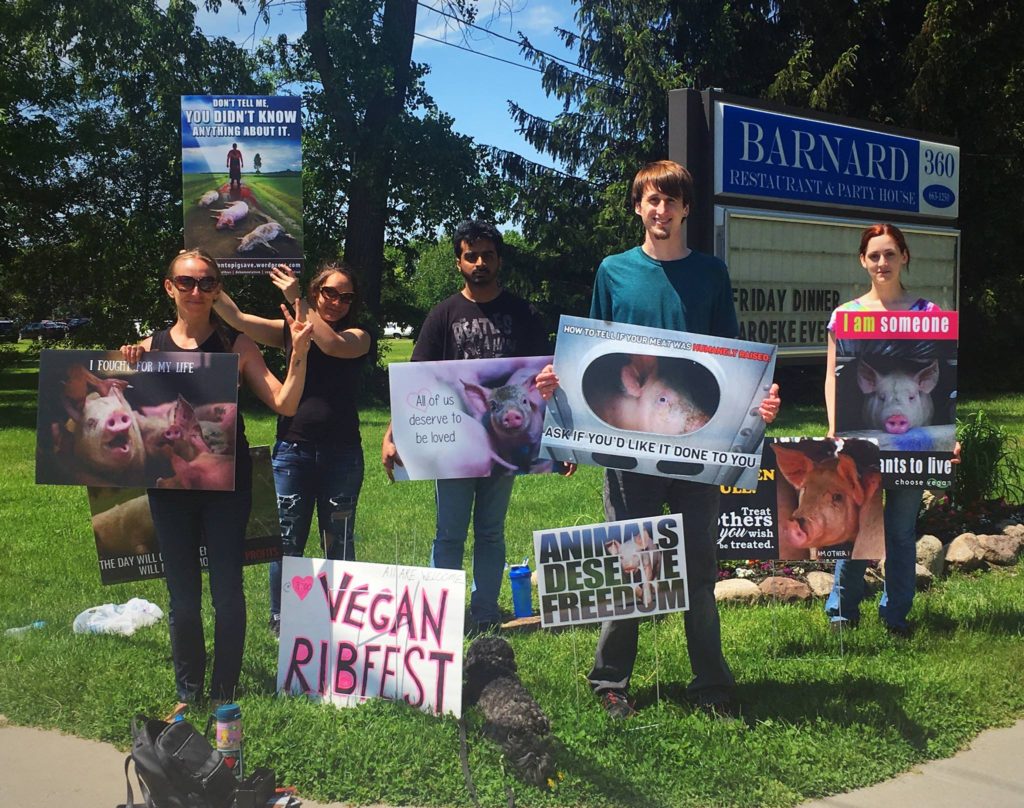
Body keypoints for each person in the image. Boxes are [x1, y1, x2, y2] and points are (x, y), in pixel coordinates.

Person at [536, 160, 780, 719]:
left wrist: (759, 403)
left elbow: (734, 364)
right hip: (627, 453)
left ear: (686, 209)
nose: (661, 211)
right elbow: (587, 356)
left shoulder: (711, 275)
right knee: (631, 560)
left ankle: (712, 685)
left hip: (696, 448)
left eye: (671, 201)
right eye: (651, 200)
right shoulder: (613, 272)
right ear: (638, 207)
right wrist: (560, 399)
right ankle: (610, 682)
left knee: (697, 564)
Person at [121, 249, 312, 703]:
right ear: (170, 287)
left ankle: (226, 689)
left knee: (227, 593)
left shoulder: (237, 347)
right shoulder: (147, 350)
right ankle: (188, 692)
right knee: (182, 597)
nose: (197, 291)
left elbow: (284, 403)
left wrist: (299, 352)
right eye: (186, 282)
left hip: (228, 485)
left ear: (217, 289)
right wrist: (123, 365)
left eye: (207, 283)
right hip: (169, 488)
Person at [381, 219, 555, 633]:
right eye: (470, 255)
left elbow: (546, 376)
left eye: (487, 255)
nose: (479, 263)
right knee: (450, 532)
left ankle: (484, 611)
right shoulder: (443, 314)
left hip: (507, 442)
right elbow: (417, 379)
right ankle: (440, 614)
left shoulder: (523, 313)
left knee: (492, 531)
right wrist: (393, 435)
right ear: (458, 261)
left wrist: (556, 440)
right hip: (455, 441)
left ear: (499, 259)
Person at [214, 262, 371, 636]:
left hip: (343, 455)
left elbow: (330, 345)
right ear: (317, 291)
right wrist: (209, 281)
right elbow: (235, 318)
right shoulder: (289, 328)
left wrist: (297, 301)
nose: (336, 302)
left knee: (340, 539)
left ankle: (344, 618)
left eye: (345, 296)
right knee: (285, 542)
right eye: (329, 293)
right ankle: (282, 621)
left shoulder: (360, 334)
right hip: (293, 451)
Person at [824, 223, 959, 638]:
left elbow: (949, 390)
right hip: (861, 442)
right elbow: (832, 376)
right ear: (863, 261)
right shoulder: (846, 316)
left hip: (913, 446)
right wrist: (833, 430)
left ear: (905, 257)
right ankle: (842, 611)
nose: (883, 262)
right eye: (874, 255)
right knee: (858, 524)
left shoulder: (930, 317)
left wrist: (949, 438)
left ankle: (896, 613)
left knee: (900, 530)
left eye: (890, 253)